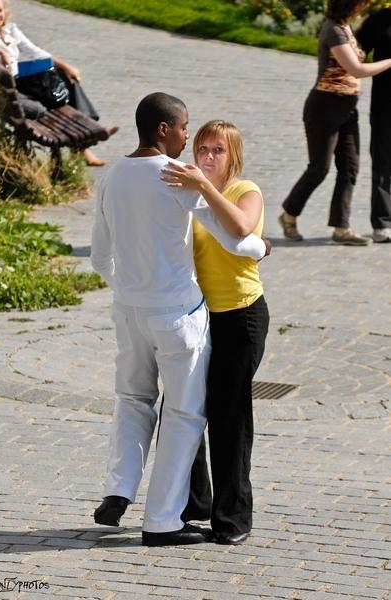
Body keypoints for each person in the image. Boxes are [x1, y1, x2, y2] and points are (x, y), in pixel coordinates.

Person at [90, 92, 269, 547]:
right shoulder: (176, 180)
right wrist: (261, 248)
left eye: (213, 146)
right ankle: (164, 519)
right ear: (165, 130)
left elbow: (99, 257)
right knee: (183, 415)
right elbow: (237, 240)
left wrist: (131, 289)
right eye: (189, 131)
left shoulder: (113, 176)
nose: (194, 142)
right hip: (179, 314)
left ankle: (126, 489)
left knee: (142, 400)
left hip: (158, 312)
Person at [160, 120, 269, 545]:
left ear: (233, 156)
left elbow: (241, 228)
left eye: (217, 151)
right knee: (182, 408)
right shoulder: (190, 190)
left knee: (228, 415)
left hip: (240, 316)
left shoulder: (246, 191)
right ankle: (194, 504)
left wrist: (205, 187)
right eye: (202, 148)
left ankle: (233, 517)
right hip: (195, 316)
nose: (206, 157)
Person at [278, 0, 391, 246]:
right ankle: (289, 213)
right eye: (361, 3)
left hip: (348, 107)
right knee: (320, 168)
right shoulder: (334, 30)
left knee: (350, 168)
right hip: (325, 107)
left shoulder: (347, 28)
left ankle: (342, 228)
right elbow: (357, 69)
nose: (365, 6)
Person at [0, 0, 118, 166]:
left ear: (5, 11)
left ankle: (88, 130)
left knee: (64, 78)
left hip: (20, 81)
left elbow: (37, 53)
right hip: (9, 90)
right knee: (47, 100)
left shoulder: (10, 31)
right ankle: (85, 140)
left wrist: (66, 66)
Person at [356, 8, 391, 243]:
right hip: (385, 105)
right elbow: (355, 52)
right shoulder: (380, 20)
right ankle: (383, 223)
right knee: (383, 164)